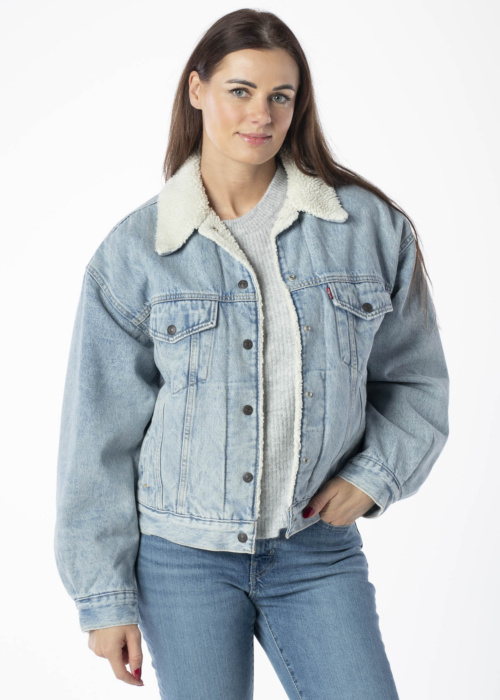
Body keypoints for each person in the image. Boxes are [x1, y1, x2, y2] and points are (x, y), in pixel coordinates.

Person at [54, 8, 450, 699]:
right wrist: (104, 598)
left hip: (316, 551)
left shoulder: (367, 229)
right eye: (240, 90)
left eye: (280, 96)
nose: (261, 115)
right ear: (197, 89)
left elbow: (416, 381)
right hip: (182, 562)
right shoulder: (135, 254)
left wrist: (376, 475)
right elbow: (98, 438)